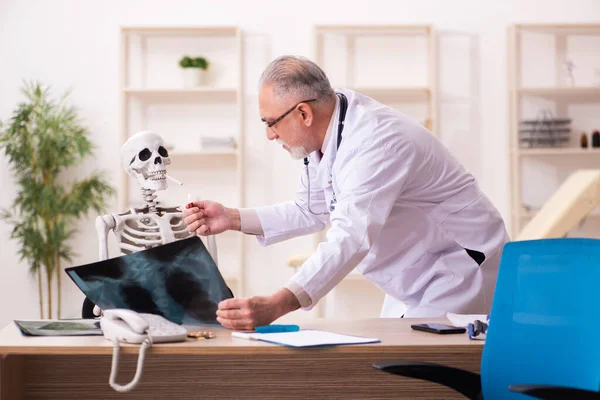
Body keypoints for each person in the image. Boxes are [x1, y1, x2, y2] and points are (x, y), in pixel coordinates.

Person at [183, 55, 509, 330]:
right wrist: (233, 217)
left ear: (303, 114)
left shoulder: (375, 142)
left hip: (457, 267)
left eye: (271, 123)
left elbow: (351, 235)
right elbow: (310, 209)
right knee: (396, 367)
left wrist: (280, 303)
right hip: (417, 274)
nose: (269, 135)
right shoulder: (328, 134)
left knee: (418, 374)